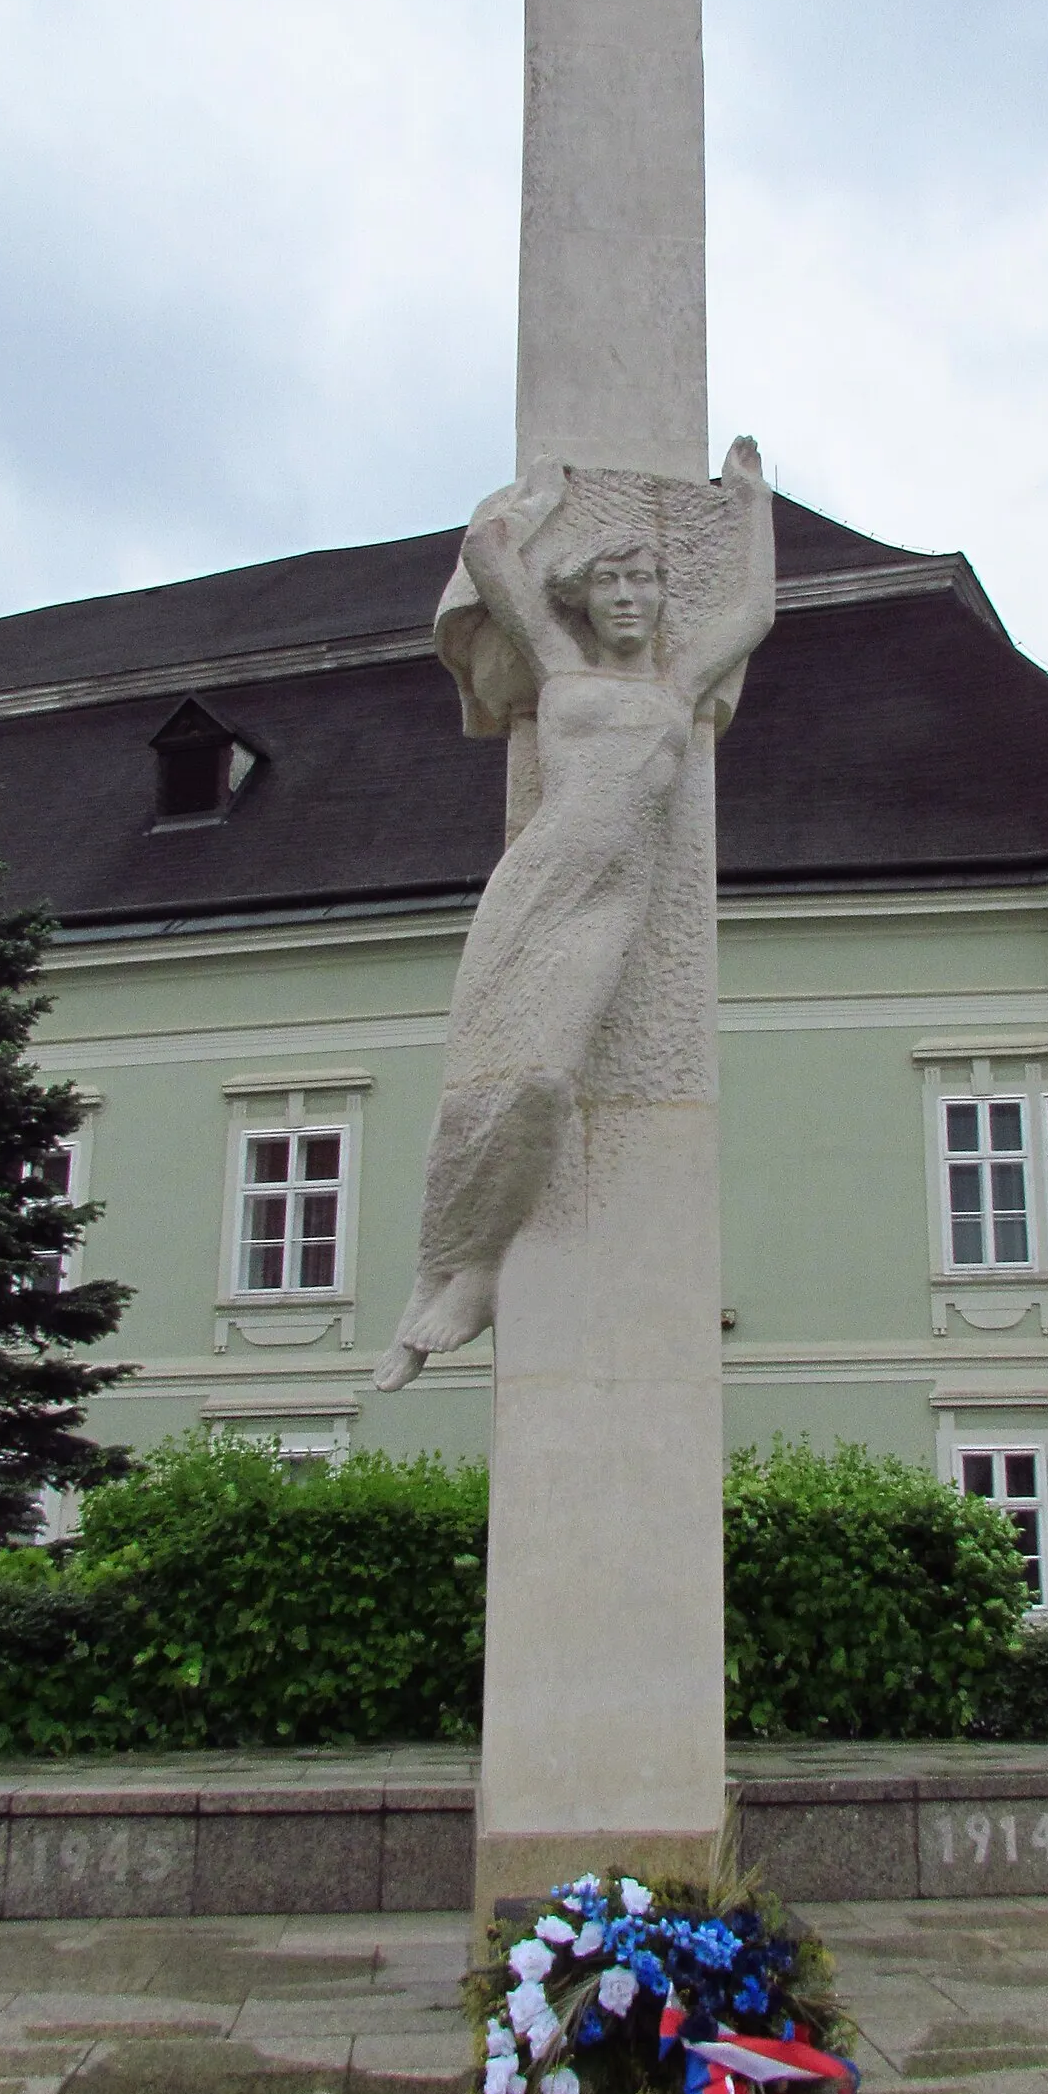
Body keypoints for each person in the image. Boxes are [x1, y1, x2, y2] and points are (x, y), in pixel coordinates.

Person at [372, 438, 775, 1392]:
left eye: (647, 582)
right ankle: (445, 1272)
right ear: (585, 600)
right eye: (613, 583)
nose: (632, 598)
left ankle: (472, 1270)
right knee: (483, 1080)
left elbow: (755, 610)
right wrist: (541, 500)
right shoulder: (555, 666)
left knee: (545, 1078)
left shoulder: (677, 688)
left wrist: (752, 504)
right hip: (535, 883)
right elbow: (486, 557)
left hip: (611, 900)